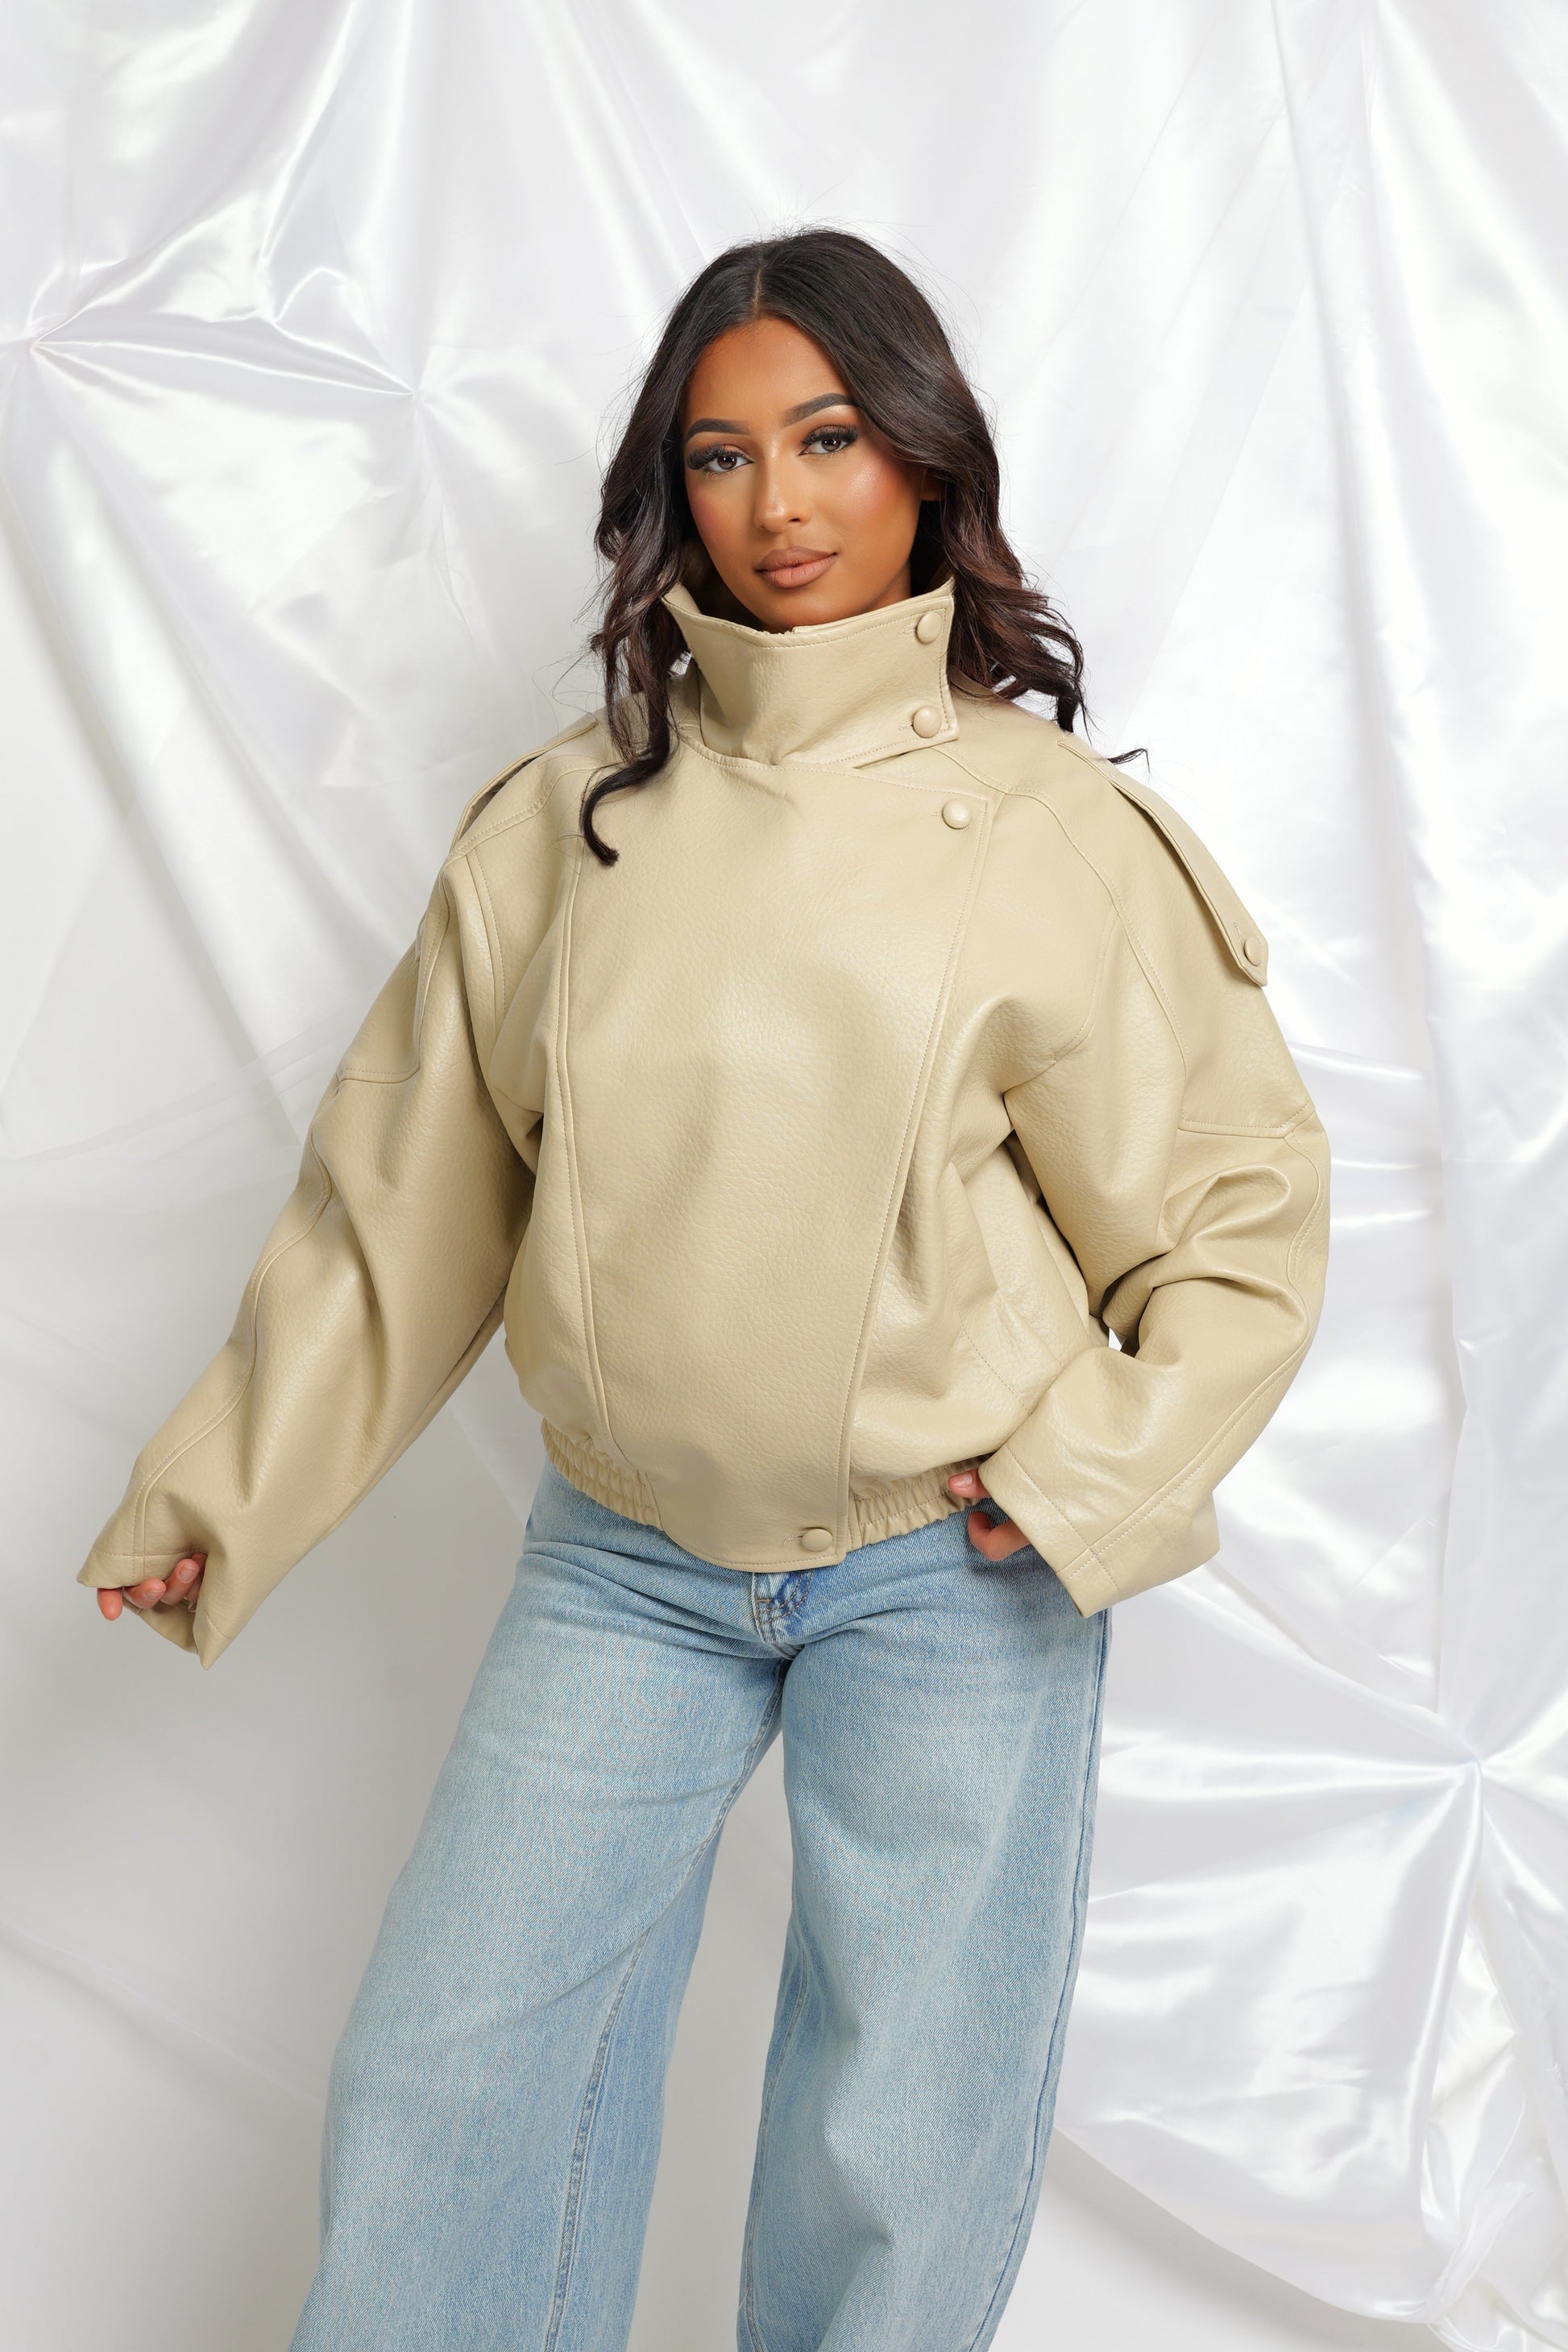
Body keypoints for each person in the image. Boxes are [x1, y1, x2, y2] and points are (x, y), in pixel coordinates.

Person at [79, 229, 1330, 2351]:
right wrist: (224, 1490)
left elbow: (1234, 1214)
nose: (779, 503)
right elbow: (401, 1211)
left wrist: (1086, 1481)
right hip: (624, 1565)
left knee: (893, 2149)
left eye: (828, 439)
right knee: (450, 2082)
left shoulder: (1049, 834)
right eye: (723, 454)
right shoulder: (562, 824)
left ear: (922, 455)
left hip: (949, 1573)